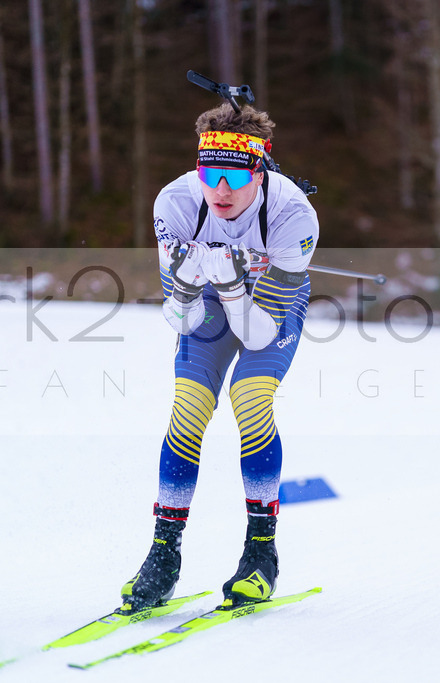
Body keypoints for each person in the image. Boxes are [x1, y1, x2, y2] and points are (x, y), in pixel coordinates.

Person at [120, 102, 318, 612]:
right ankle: (164, 554)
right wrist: (193, 277)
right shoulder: (177, 203)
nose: (222, 190)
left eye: (235, 175)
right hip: (204, 298)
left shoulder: (294, 215)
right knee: (188, 409)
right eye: (211, 173)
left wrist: (230, 281)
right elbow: (181, 319)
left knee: (250, 397)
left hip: (268, 303)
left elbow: (256, 336)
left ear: (261, 170)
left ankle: (260, 553)